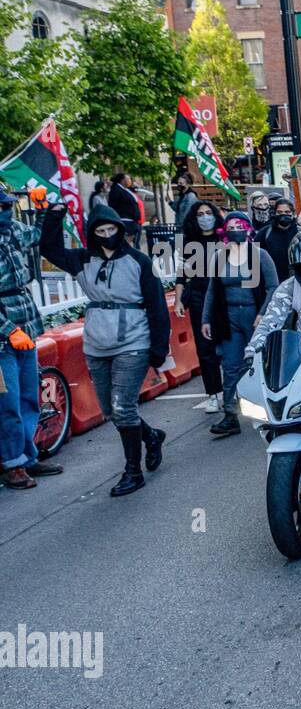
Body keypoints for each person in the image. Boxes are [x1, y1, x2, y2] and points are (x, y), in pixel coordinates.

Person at [41, 203, 169, 497]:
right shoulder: (83, 259)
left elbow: (157, 307)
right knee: (112, 410)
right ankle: (151, 437)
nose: (107, 235)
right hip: (97, 343)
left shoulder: (138, 261)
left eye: (112, 229)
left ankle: (132, 472)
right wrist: (54, 215)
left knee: (124, 407)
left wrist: (158, 349)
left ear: (120, 229)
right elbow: (48, 249)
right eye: (101, 230)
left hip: (133, 342)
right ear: (93, 233)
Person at [0, 187, 64, 489]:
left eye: (6, 205)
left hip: (26, 323)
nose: (4, 209)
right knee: (7, 403)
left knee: (28, 397)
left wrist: (41, 211)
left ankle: (28, 457)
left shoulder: (11, 230)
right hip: (4, 337)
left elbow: (34, 236)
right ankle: (12, 464)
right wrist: (7, 329)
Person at [201, 212, 277, 438]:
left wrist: (264, 313)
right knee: (231, 366)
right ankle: (230, 415)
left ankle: (271, 412)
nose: (235, 229)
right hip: (228, 317)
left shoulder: (260, 255)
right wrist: (206, 319)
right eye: (230, 226)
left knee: (260, 365)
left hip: (255, 314)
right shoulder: (219, 257)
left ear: (248, 228)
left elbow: (273, 287)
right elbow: (212, 291)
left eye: (239, 225)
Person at [175, 201, 226, 413]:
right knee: (205, 350)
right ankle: (214, 393)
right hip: (198, 298)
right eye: (200, 214)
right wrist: (178, 300)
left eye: (208, 212)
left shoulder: (226, 239)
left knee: (232, 347)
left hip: (224, 298)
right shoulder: (188, 243)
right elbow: (182, 275)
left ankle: (236, 391)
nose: (205, 217)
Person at [254, 196, 301, 287]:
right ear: (274, 213)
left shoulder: (300, 232)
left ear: (293, 213)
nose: (283, 214)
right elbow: (254, 257)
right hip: (272, 282)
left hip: (296, 281)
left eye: (287, 212)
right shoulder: (265, 233)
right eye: (280, 212)